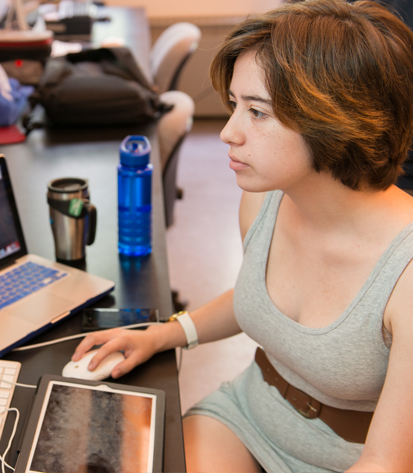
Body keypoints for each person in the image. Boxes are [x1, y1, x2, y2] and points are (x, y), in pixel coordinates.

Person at [72, 0, 413, 471]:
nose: (228, 133)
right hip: (248, 414)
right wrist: (166, 334)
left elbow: (386, 463)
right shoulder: (265, 199)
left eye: (257, 112)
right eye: (235, 105)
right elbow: (257, 295)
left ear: (335, 121)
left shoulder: (407, 271)